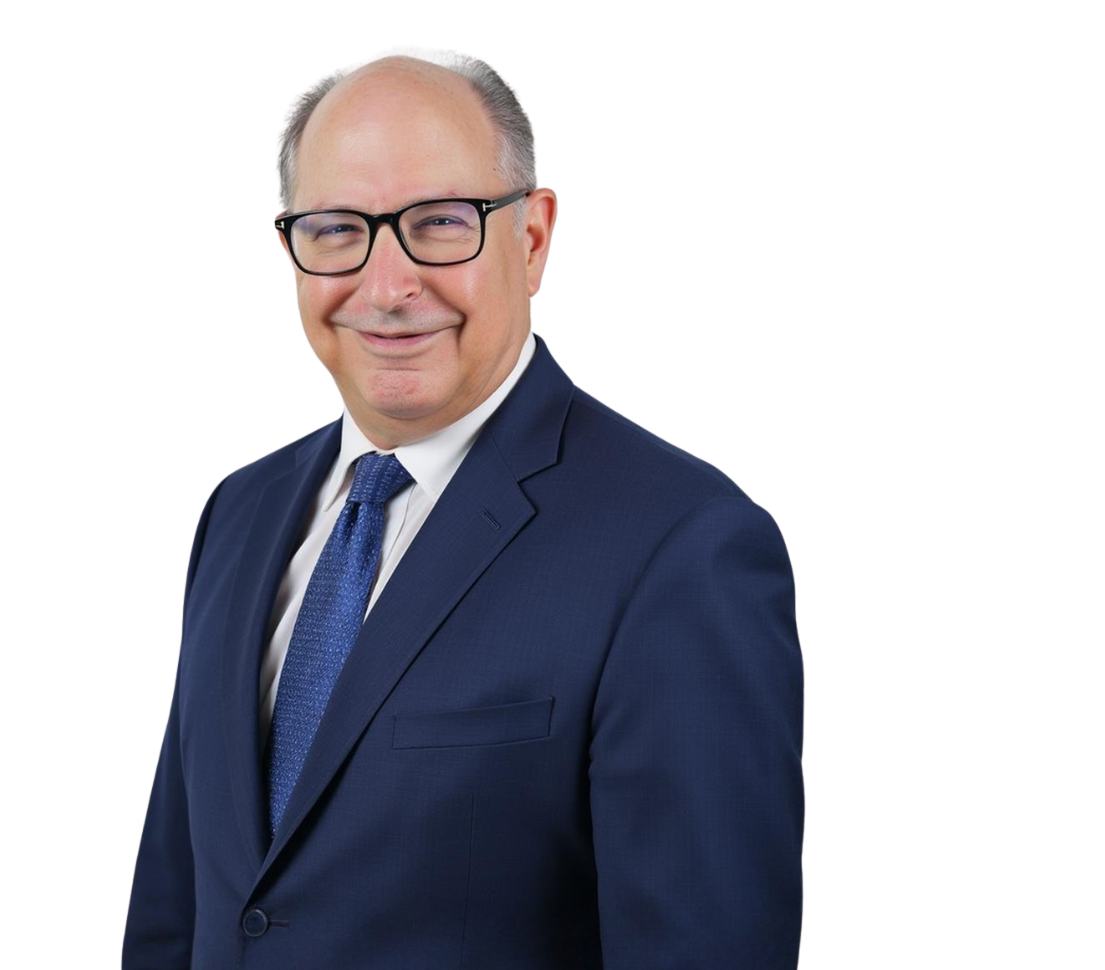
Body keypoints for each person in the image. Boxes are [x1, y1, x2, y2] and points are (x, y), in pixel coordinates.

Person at [123, 45, 804, 970]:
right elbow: (176, 907)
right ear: (289, 248)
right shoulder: (238, 512)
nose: (389, 285)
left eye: (441, 222)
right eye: (336, 229)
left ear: (532, 237)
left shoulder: (684, 547)